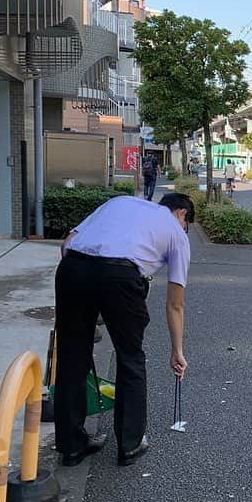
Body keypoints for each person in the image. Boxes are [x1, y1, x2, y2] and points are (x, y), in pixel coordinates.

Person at [55, 192, 193, 467]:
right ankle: (129, 445)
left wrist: (86, 295)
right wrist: (177, 350)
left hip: (71, 268)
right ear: (181, 214)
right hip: (120, 276)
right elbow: (175, 304)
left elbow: (68, 242)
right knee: (130, 359)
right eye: (187, 224)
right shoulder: (177, 234)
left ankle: (71, 446)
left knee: (71, 357)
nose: (185, 230)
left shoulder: (119, 202)